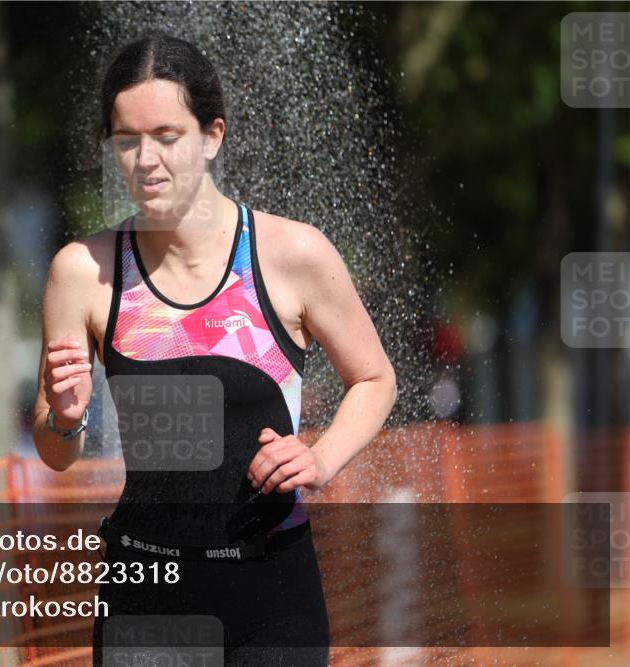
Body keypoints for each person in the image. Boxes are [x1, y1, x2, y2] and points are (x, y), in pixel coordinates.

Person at [33, 30, 397, 666]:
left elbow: (374, 379)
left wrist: (321, 458)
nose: (146, 159)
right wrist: (66, 418)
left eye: (166, 136)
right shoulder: (83, 271)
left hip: (271, 595)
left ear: (212, 137)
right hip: (146, 595)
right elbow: (54, 451)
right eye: (127, 140)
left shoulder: (291, 254)